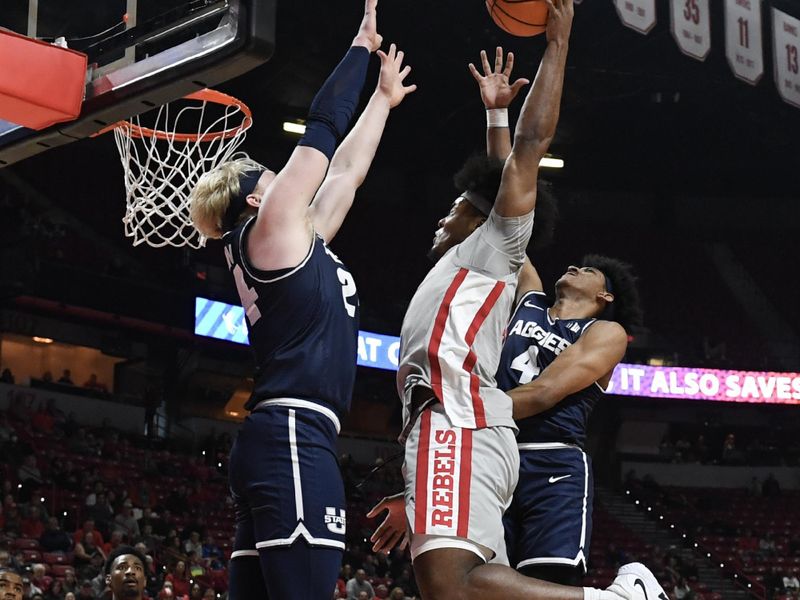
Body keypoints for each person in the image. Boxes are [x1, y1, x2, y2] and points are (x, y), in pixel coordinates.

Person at [378, 1, 665, 598]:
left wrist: (556, 43)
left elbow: (525, 160)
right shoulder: (506, 279)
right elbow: (502, 172)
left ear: (481, 219)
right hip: (467, 429)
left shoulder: (490, 250)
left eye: (456, 207)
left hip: (476, 423)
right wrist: (494, 119)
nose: (443, 214)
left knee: (452, 588)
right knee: (468, 588)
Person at [188, 0, 415, 597]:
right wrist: (360, 50)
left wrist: (382, 102)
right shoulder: (269, 230)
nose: (279, 177)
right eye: (267, 174)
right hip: (293, 431)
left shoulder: (289, 241)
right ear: (258, 200)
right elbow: (321, 132)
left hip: (279, 434)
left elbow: (345, 174)